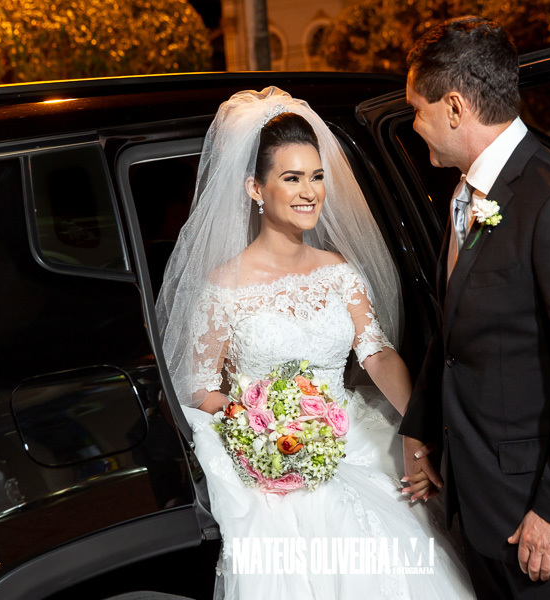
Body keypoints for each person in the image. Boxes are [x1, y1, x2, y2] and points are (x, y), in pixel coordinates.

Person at [156, 87, 474, 599]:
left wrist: (417, 431)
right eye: (292, 178)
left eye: (317, 176)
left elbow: (377, 354)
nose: (310, 192)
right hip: (273, 454)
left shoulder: (339, 272)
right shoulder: (223, 287)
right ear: (256, 188)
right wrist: (259, 424)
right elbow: (197, 389)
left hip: (352, 434)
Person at [398, 17, 550, 600]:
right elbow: (454, 335)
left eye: (417, 110)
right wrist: (422, 432)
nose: (414, 124)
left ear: (455, 107)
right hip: (476, 498)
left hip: (538, 517)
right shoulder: (465, 193)